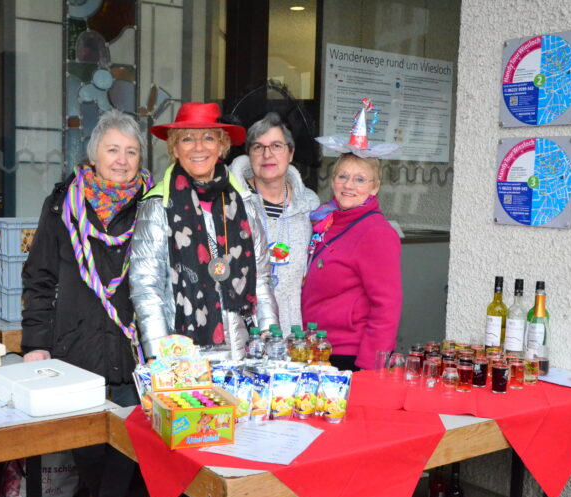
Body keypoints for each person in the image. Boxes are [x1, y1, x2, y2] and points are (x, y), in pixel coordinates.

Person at [21, 109, 151, 497]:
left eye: (131, 151)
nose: (122, 160)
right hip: (77, 349)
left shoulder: (154, 205)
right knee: (88, 447)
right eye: (113, 149)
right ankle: (102, 496)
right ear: (93, 154)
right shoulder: (62, 205)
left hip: (135, 349)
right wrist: (36, 343)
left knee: (130, 440)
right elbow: (39, 278)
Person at [130, 102, 278, 360]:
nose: (199, 147)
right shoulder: (157, 206)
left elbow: (261, 280)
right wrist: (158, 355)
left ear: (222, 146)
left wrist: (269, 335)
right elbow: (146, 289)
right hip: (184, 358)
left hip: (245, 352)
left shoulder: (245, 203)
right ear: (175, 149)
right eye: (187, 139)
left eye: (209, 138)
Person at [300, 152, 401, 371]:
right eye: (342, 176)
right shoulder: (327, 220)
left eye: (360, 179)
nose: (349, 185)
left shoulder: (376, 232)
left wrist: (369, 366)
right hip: (317, 349)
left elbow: (387, 307)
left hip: (349, 355)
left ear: (375, 187)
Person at [229, 112, 319, 333]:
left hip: (295, 330)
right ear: (249, 155)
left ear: (291, 152)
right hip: (243, 329)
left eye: (276, 146)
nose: (267, 154)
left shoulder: (310, 205)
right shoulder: (230, 203)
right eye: (258, 147)